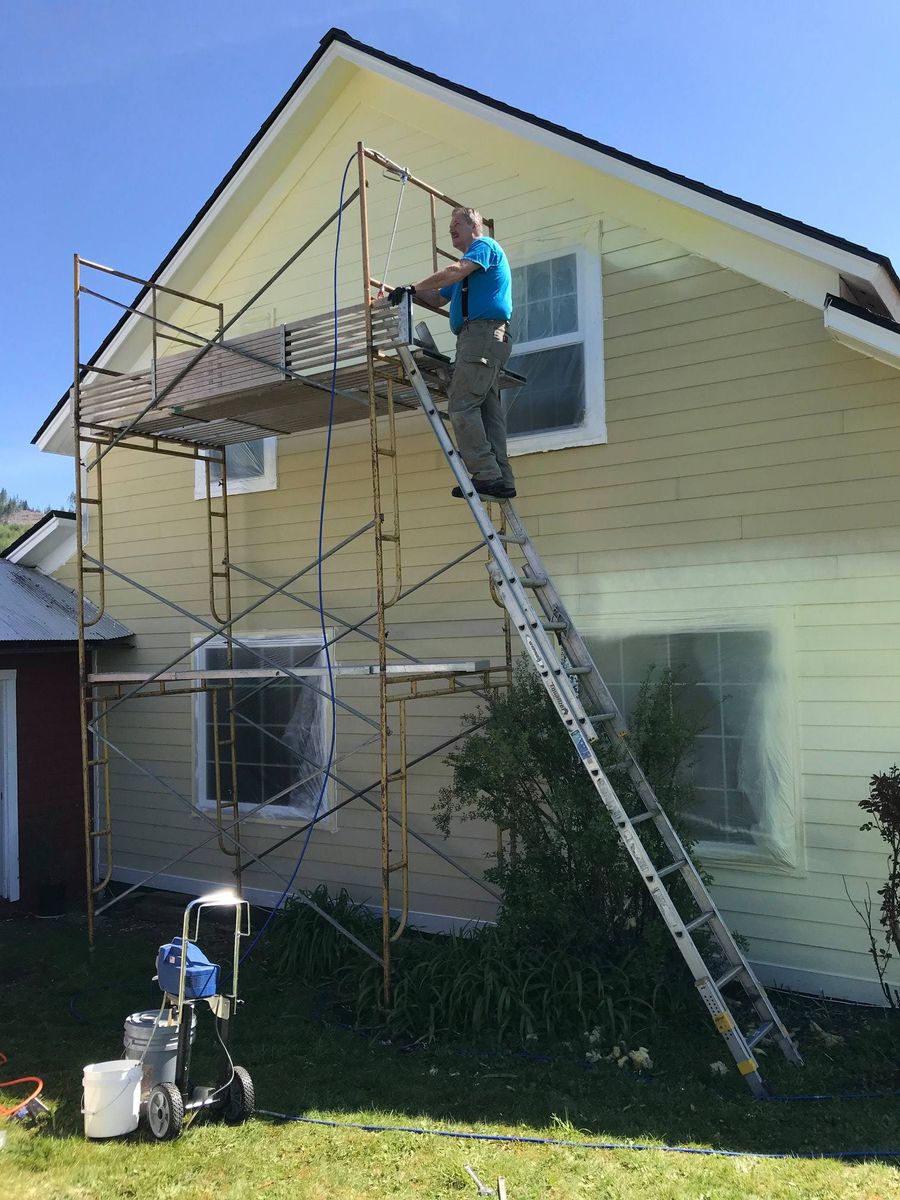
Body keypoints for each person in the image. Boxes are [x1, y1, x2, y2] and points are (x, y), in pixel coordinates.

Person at [388, 207, 515, 499]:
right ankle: (502, 479)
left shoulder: (483, 247)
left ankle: (486, 474)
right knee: (486, 411)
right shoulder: (466, 273)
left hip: (482, 335)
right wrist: (405, 292)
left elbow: (454, 270)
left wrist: (412, 286)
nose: (451, 230)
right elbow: (436, 297)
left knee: (460, 406)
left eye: (457, 224)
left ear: (475, 226)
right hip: (482, 339)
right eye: (450, 227)